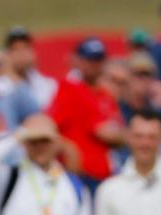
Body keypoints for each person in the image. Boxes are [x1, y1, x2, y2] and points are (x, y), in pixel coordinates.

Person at [48, 37, 123, 193]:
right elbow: (48, 126)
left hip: (105, 175)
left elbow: (117, 133)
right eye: (89, 60)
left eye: (98, 59)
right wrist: (67, 148)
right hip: (80, 176)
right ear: (78, 60)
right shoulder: (69, 89)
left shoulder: (105, 95)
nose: (94, 65)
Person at [0, 26, 57, 109]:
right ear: (6, 54)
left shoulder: (47, 85)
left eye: (26, 48)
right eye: (15, 49)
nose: (22, 54)